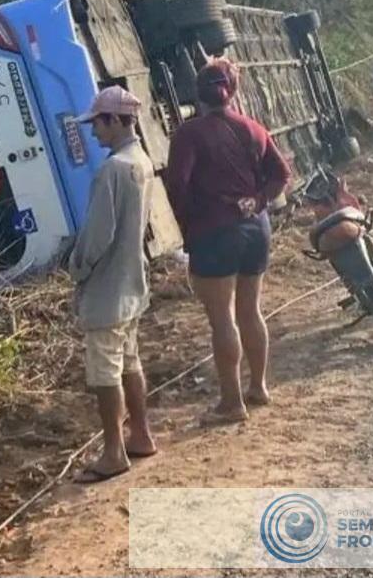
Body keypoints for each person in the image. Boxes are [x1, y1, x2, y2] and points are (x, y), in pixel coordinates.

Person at [164, 59, 292, 424]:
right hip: (256, 229)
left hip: (214, 232)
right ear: (232, 91)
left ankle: (231, 403)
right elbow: (281, 174)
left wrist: (191, 222)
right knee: (251, 310)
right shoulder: (253, 128)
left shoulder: (189, 134)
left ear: (198, 93)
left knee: (221, 319)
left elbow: (177, 185)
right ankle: (259, 387)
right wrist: (259, 200)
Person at [68, 85, 157, 482]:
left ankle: (113, 451)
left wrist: (77, 267)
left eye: (99, 123)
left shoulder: (112, 169)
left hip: (107, 288)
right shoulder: (142, 161)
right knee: (130, 362)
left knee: (105, 372)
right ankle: (140, 435)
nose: (94, 131)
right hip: (132, 282)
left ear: (117, 121)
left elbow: (98, 235)